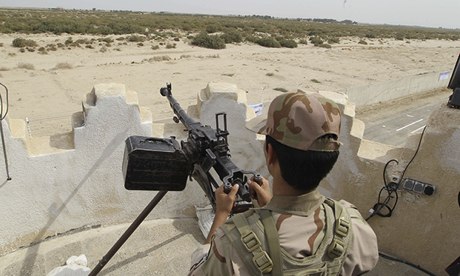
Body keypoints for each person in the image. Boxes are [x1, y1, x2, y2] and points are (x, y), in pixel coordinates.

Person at [189, 91, 379, 275]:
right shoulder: (352, 226)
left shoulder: (232, 242)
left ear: (269, 153)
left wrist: (221, 215)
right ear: (331, 158)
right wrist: (272, 206)